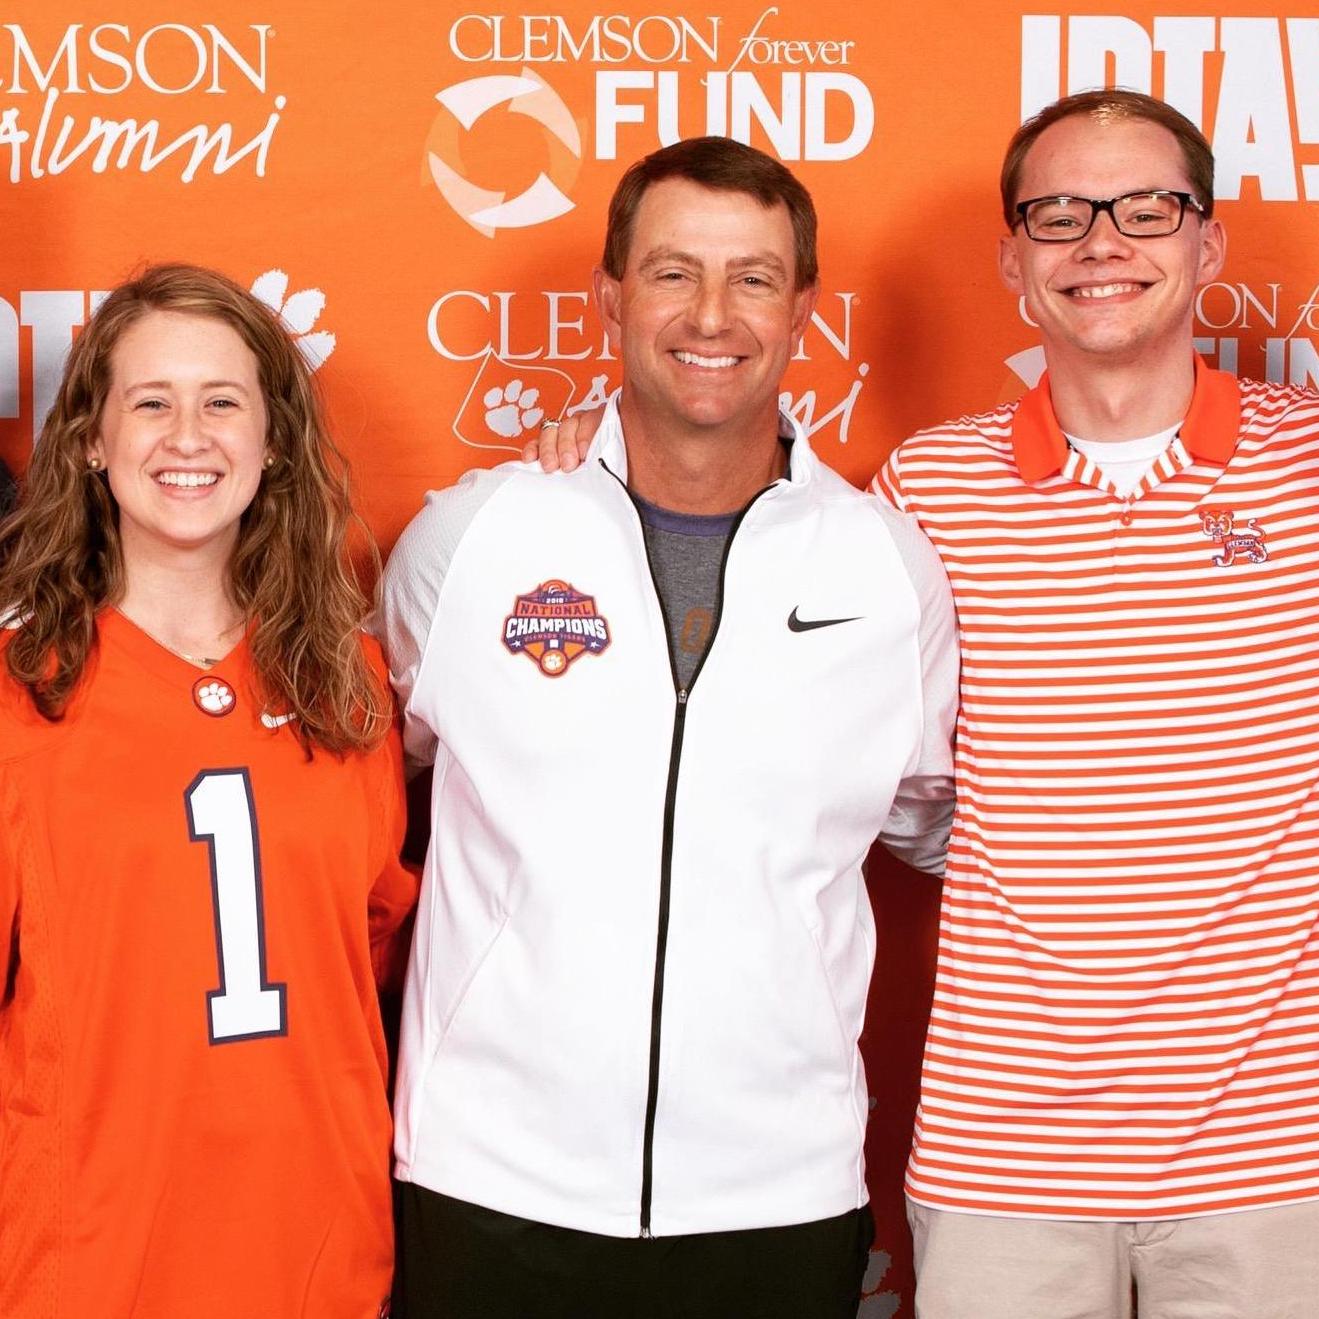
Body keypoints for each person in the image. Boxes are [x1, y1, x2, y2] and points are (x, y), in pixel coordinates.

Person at [535, 94, 1319, 1318]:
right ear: (1011, 261)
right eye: (1058, 214)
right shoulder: (925, 490)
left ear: (1207, 242)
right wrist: (597, 454)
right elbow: (888, 779)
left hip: (1280, 1162)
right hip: (1000, 1158)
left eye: (1145, 209)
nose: (1099, 242)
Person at [377, 136, 958, 1319]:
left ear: (802, 309)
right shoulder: (472, 539)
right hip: (487, 1180)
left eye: (752, 277)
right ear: (609, 297)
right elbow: (367, 780)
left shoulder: (887, 568)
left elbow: (935, 826)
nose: (710, 315)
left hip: (777, 1195)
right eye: (671, 272)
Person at [0, 263, 417, 1319]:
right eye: (151, 402)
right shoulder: (18, 692)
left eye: (221, 401)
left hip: (317, 1254)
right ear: (90, 440)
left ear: (272, 439)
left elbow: (367, 948)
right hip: (89, 1260)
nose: (187, 436)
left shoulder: (350, 685)